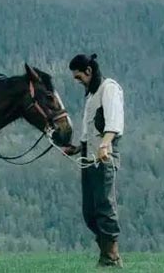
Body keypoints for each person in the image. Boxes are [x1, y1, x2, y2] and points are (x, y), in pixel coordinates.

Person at [62, 53, 124, 268]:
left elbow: (114, 122)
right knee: (89, 211)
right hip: (89, 157)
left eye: (79, 77)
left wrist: (105, 144)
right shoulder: (92, 95)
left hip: (104, 157)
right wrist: (77, 148)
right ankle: (106, 252)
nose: (78, 82)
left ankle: (111, 256)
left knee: (105, 205)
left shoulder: (109, 88)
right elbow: (89, 133)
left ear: (88, 71)